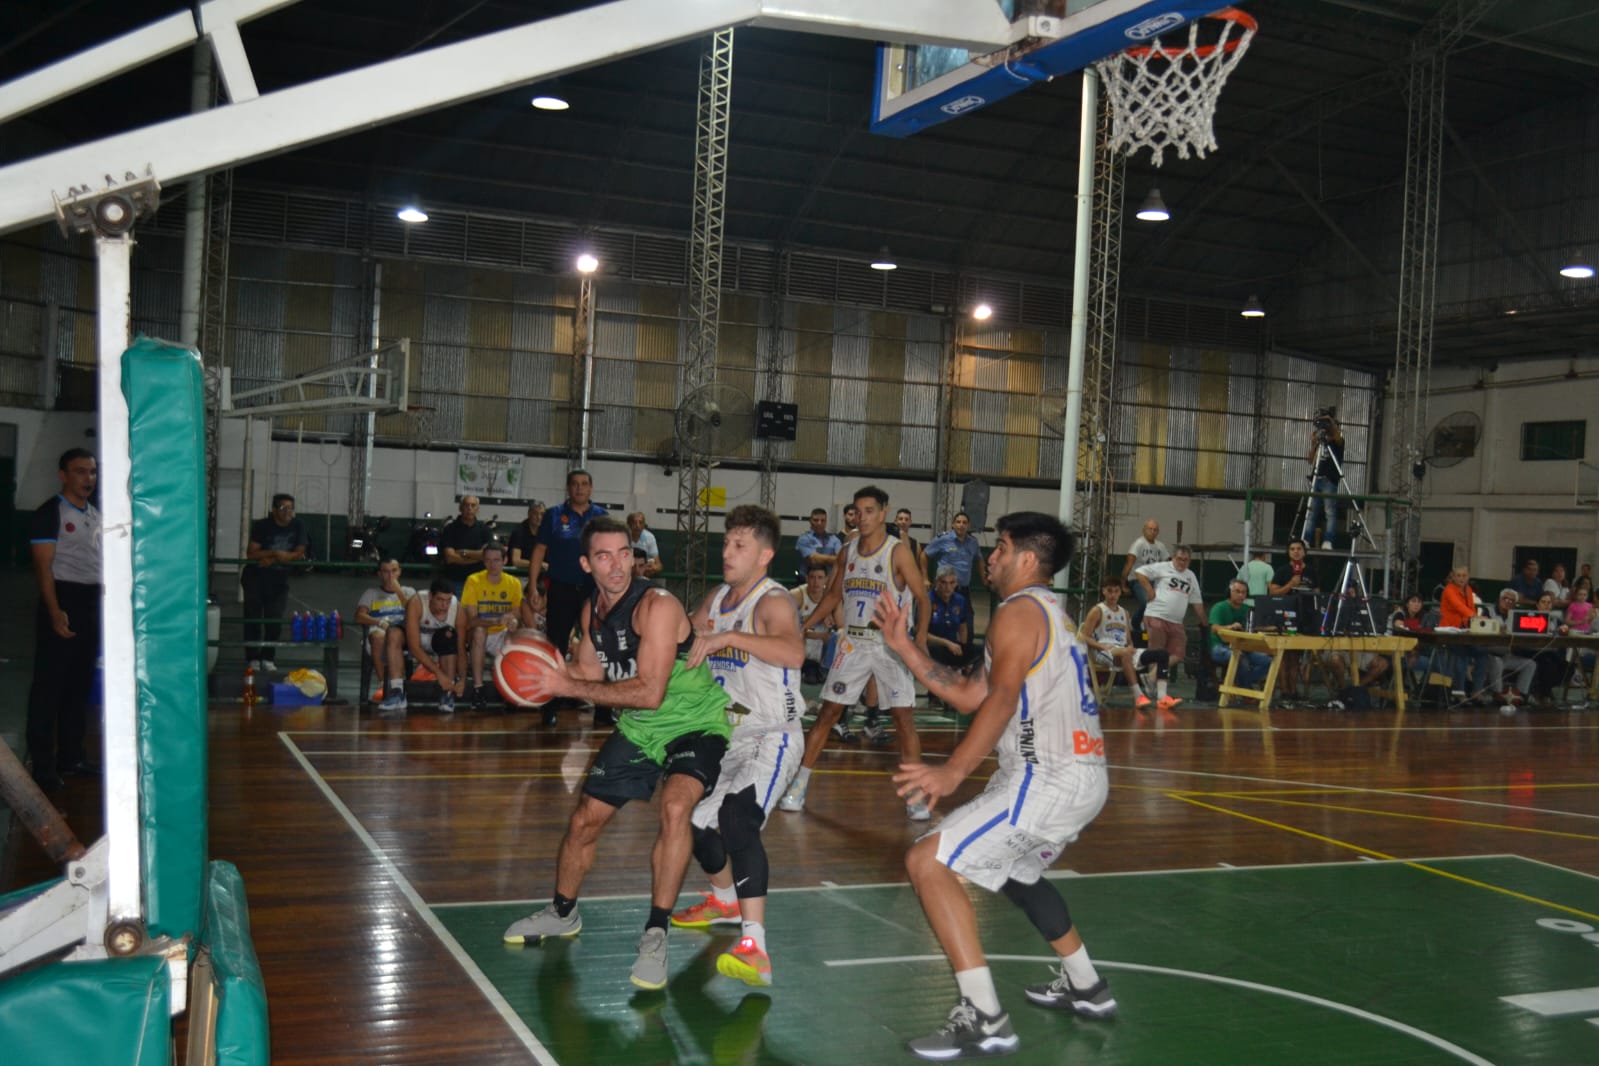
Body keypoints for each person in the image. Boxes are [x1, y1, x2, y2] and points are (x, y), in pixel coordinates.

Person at [875, 511, 1115, 1061]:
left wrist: (952, 771)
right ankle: (1087, 984)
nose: (993, 556)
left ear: (1028, 559)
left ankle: (986, 1017)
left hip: (1046, 778)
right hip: (1079, 779)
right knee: (1018, 873)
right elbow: (970, 694)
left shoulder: (1017, 613)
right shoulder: (1045, 613)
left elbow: (1003, 700)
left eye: (1003, 547)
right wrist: (905, 647)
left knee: (926, 862)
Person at [501, 517, 732, 992]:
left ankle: (656, 932)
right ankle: (563, 913)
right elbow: (585, 670)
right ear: (586, 564)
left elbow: (649, 691)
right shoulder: (593, 612)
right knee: (585, 818)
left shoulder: (657, 607)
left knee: (674, 808)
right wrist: (527, 658)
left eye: (624, 553)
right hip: (640, 729)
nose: (617, 565)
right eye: (603, 556)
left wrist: (568, 685)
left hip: (694, 724)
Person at [669, 505, 805, 988]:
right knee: (695, 822)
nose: (726, 551)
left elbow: (794, 652)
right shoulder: (719, 597)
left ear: (765, 555)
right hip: (729, 736)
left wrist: (729, 636)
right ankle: (724, 901)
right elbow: (683, 636)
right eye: (726, 542)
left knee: (736, 820)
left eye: (739, 545)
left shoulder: (774, 602)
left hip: (773, 735)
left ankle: (755, 948)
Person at [781, 485, 932, 819]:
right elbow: (833, 596)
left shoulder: (897, 553)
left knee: (903, 719)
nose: (862, 517)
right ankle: (798, 784)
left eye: (869, 511)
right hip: (853, 642)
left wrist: (919, 641)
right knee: (828, 713)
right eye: (857, 511)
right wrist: (805, 626)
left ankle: (916, 794)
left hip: (889, 645)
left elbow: (923, 597)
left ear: (883, 513)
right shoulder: (847, 551)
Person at [27, 448, 102, 791]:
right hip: (62, 600)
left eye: (92, 472)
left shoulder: (97, 515)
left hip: (89, 603)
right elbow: (44, 568)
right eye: (80, 471)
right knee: (49, 687)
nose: (88, 478)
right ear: (63, 475)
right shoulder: (50, 513)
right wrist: (55, 611)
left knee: (78, 685)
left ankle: (71, 757)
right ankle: (42, 765)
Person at [529, 469, 608, 662]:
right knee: (556, 642)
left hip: (594, 589)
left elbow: (609, 551)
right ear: (568, 488)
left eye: (584, 484)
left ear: (591, 488)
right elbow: (539, 550)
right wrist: (532, 586)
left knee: (597, 640)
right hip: (561, 588)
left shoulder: (601, 516)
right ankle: (554, 689)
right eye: (575, 484)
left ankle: (592, 687)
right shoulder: (553, 515)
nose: (579, 488)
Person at [1078, 576, 1173, 719]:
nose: (1112, 595)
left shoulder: (1124, 612)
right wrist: (1101, 646)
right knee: (1125, 654)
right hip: (1104, 652)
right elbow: (1083, 636)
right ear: (1103, 591)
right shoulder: (1097, 611)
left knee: (1162, 654)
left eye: (1116, 591)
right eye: (1109, 591)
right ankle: (1139, 696)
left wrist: (1131, 647)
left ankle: (1162, 697)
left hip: (1123, 651)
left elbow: (1128, 639)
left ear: (1120, 592)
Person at [1134, 545, 1205, 714]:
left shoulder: (1190, 576)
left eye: (1186, 560)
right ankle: (1157, 694)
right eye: (1180, 559)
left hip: (1177, 622)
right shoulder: (1163, 567)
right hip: (1156, 615)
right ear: (1173, 557)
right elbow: (1140, 572)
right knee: (1157, 653)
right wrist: (1149, 590)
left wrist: (1205, 623)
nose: (1182, 562)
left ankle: (1150, 679)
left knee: (1178, 654)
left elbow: (1197, 602)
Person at [242, 492, 309, 671]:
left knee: (274, 619)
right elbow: (252, 553)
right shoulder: (262, 526)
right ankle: (253, 658)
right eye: (283, 508)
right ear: (273, 510)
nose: (288, 511)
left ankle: (268, 657)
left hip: (279, 579)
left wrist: (273, 559)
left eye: (290, 508)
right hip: (255, 578)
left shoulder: (298, 525)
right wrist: (276, 554)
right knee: (253, 618)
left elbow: (299, 552)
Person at [460, 542, 523, 711]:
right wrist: (496, 621)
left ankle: (510, 690)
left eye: (496, 560)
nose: (492, 565)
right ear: (483, 561)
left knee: (514, 631)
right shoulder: (473, 580)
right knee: (480, 631)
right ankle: (478, 689)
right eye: (488, 560)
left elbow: (517, 612)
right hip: (478, 634)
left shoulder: (514, 583)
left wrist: (512, 619)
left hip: (501, 634)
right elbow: (471, 620)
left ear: (505, 560)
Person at [355, 559, 416, 716]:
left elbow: (415, 612)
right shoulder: (371, 593)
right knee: (378, 636)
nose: (390, 575)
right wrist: (379, 622)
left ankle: (401, 690)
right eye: (386, 571)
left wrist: (398, 591)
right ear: (379, 574)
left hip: (402, 637)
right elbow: (359, 616)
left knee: (395, 636)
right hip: (379, 636)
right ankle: (387, 688)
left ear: (399, 571)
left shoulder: (408, 592)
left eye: (394, 571)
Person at [405, 577, 462, 713]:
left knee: (450, 638)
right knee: (393, 635)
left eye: (448, 601)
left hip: (439, 642)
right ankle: (396, 690)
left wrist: (463, 678)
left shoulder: (457, 607)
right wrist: (438, 674)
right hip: (417, 641)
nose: (444, 605)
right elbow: (414, 646)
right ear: (430, 596)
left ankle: (448, 692)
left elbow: (460, 648)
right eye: (440, 600)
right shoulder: (417, 602)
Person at [1209, 579, 1271, 692]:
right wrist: (1229, 627)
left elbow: (1255, 627)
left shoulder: (1247, 609)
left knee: (1268, 661)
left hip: (1243, 646)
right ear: (1230, 592)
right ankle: (1245, 687)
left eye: (1244, 592)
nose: (1241, 595)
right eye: (1237, 591)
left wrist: (1269, 627)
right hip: (1219, 647)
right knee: (1240, 656)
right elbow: (1214, 628)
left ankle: (1240, 683)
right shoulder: (1219, 607)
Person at [1301, 409, 1345, 549]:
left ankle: (1329, 540)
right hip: (1316, 477)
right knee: (1311, 511)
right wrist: (1314, 443)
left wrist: (1330, 420)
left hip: (1329, 479)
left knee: (1330, 511)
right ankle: (1306, 539)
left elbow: (1337, 437)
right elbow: (1310, 460)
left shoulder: (1338, 440)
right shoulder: (1320, 439)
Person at [792, 561, 838, 686]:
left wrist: (831, 621)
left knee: (838, 637)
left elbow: (842, 626)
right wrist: (819, 633)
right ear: (807, 578)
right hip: (802, 648)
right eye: (812, 577)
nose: (816, 582)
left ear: (826, 579)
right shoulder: (797, 595)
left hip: (824, 650)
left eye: (820, 578)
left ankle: (825, 669)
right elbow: (789, 629)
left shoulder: (833, 597)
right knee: (811, 679)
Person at [927, 566, 978, 673]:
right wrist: (947, 643)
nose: (948, 587)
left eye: (952, 583)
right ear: (936, 582)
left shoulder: (960, 600)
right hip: (932, 647)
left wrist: (963, 654)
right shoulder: (927, 600)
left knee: (979, 655)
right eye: (944, 582)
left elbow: (963, 628)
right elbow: (920, 634)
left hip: (953, 647)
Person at [926, 512, 987, 598]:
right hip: (944, 588)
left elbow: (979, 559)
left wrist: (984, 578)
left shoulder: (973, 542)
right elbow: (924, 555)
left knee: (966, 611)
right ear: (953, 525)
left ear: (968, 526)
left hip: (963, 589)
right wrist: (924, 578)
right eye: (958, 522)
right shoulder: (943, 539)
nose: (961, 525)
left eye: (964, 522)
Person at [441, 495, 491, 595]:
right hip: (455, 581)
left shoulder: (485, 530)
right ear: (460, 508)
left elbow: (487, 555)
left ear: (477, 509)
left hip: (479, 582)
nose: (470, 508)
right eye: (466, 505)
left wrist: (464, 552)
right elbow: (450, 558)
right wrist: (478, 558)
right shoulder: (450, 529)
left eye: (473, 505)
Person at [795, 507, 843, 577]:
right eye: (816, 520)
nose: (819, 523)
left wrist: (821, 558)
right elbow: (814, 560)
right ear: (810, 521)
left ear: (826, 522)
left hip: (829, 581)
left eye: (823, 520)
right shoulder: (804, 539)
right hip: (808, 581)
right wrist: (834, 560)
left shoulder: (834, 539)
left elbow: (841, 560)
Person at [507, 501, 545, 570]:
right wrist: (538, 564)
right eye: (535, 513)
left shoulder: (545, 532)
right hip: (519, 574)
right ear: (529, 514)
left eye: (542, 514)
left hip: (539, 573)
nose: (539, 517)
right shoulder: (519, 532)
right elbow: (516, 561)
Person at [628, 511, 664, 578]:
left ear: (644, 525)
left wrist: (653, 568)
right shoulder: (623, 537)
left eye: (640, 523)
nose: (637, 525)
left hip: (645, 574)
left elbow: (659, 565)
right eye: (634, 522)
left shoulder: (649, 537)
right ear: (629, 524)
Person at [895, 508, 929, 576]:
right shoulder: (887, 540)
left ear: (910, 522)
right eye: (900, 519)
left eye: (906, 519)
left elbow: (916, 566)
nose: (903, 522)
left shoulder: (915, 544)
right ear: (895, 521)